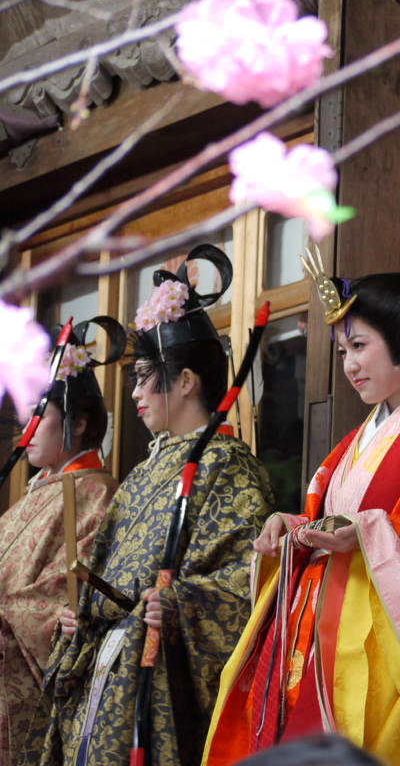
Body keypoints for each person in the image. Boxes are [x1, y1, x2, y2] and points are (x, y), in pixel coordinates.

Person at [203, 271, 400, 766]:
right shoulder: (357, 438)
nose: (350, 365)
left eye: (359, 346)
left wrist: (365, 533)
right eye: (342, 352)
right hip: (319, 634)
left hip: (385, 646)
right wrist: (293, 525)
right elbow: (328, 516)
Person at [20, 245, 274, 766]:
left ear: (185, 381)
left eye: (142, 376)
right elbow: (100, 573)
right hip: (103, 668)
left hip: (154, 673)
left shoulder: (228, 464)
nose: (134, 392)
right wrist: (79, 614)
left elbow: (252, 577)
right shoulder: (140, 476)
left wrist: (183, 603)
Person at [0, 318, 124, 766]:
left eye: (38, 416)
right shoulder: (31, 495)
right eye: (24, 416)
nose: (25, 429)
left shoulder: (97, 494)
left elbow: (75, 598)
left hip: (28, 693)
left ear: (78, 422)